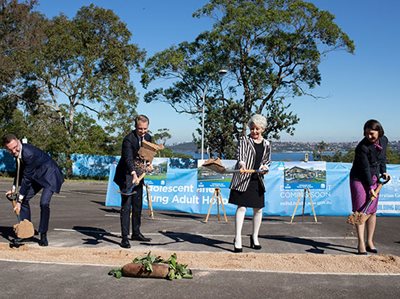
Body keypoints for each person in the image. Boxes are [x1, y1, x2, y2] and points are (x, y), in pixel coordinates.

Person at [2, 134, 64, 246]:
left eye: (15, 147)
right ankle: (27, 233)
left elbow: (26, 178)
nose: (14, 151)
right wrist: (14, 188)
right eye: (10, 150)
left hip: (50, 175)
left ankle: (43, 234)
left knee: (44, 203)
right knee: (25, 199)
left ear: (18, 141)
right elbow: (19, 171)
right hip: (38, 175)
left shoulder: (28, 153)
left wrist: (19, 201)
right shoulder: (17, 153)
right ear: (7, 149)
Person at [228, 114, 271, 252]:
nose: (254, 131)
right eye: (252, 129)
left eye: (257, 129)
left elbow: (267, 160)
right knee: (241, 208)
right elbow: (240, 156)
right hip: (243, 178)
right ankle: (238, 238)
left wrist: (265, 167)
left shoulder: (266, 144)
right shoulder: (243, 140)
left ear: (262, 129)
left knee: (258, 209)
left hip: (257, 179)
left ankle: (254, 237)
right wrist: (242, 165)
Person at [349, 119, 390, 255]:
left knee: (372, 211)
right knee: (361, 210)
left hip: (374, 176)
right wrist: (371, 188)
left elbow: (382, 158)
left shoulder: (384, 140)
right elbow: (365, 169)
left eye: (371, 133)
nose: (369, 136)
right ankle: (360, 242)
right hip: (359, 178)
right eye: (366, 134)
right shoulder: (362, 147)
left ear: (379, 132)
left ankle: (369, 241)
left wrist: (384, 172)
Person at [114, 114, 153, 248]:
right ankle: (124, 238)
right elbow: (128, 159)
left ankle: (136, 233)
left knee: (137, 205)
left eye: (145, 128)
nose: (143, 131)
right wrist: (133, 174)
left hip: (140, 174)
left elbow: (148, 155)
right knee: (126, 206)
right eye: (140, 128)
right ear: (135, 127)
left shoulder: (148, 138)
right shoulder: (128, 140)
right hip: (126, 175)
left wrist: (149, 164)